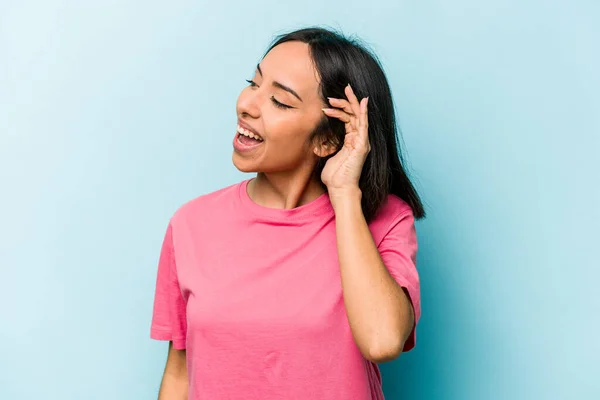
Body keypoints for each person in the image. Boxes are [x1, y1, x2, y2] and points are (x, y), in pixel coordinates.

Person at [150, 26, 425, 400]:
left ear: (327, 139)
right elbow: (180, 373)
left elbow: (382, 341)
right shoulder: (191, 224)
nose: (247, 104)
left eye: (280, 101)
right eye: (253, 82)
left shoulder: (385, 220)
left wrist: (344, 194)